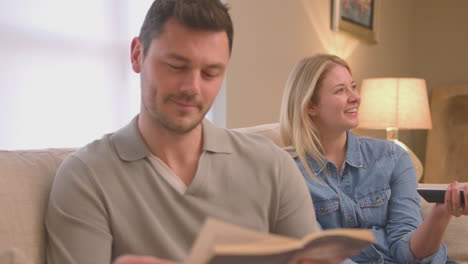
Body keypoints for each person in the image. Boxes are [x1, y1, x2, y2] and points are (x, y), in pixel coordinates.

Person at [45, 1, 334, 264]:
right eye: (176, 66)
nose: (192, 88)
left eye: (210, 73)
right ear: (137, 55)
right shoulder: (86, 176)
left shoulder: (273, 166)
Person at [279, 53, 468, 264]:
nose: (355, 97)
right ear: (310, 106)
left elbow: (408, 253)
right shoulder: (287, 173)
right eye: (340, 90)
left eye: (353, 86)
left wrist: (441, 213)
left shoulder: (392, 157)